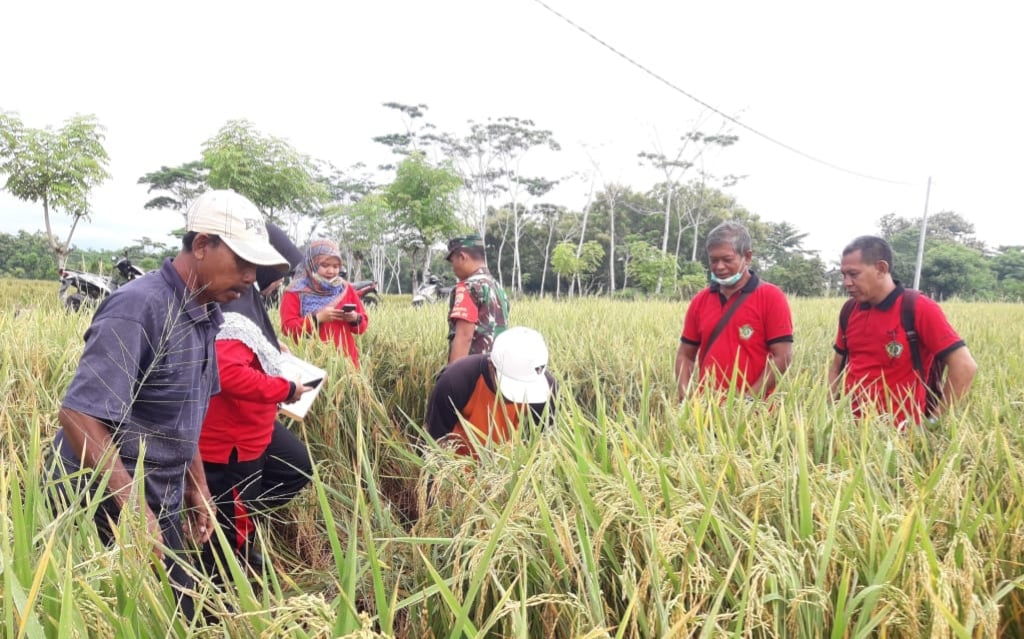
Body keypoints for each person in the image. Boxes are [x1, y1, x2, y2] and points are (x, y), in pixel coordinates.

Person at [49, 189, 288, 619]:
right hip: (100, 499)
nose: (252, 276)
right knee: (125, 616)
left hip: (161, 493)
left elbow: (186, 416)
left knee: (178, 611)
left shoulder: (206, 312)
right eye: (242, 262)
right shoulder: (141, 307)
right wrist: (134, 509)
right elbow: (78, 412)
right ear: (201, 245)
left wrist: (199, 491)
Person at [205, 223, 312, 575]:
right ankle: (226, 585)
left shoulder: (248, 296)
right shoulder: (231, 298)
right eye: (279, 272)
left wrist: (270, 347)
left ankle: (241, 529)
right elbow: (227, 370)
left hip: (255, 427)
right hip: (232, 436)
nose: (280, 281)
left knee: (296, 467)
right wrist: (284, 389)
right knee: (234, 515)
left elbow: (248, 342)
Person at [827, 235, 977, 427]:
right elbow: (836, 369)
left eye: (854, 274)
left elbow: (965, 367)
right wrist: (830, 417)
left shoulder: (917, 308)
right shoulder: (850, 310)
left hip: (902, 437)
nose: (846, 282)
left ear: (881, 269)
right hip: (850, 432)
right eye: (843, 275)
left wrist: (933, 424)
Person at [675, 221, 794, 401]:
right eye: (714, 260)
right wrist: (686, 399)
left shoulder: (771, 297)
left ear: (747, 257)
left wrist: (747, 401)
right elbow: (685, 355)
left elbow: (782, 356)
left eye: (727, 259)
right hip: (707, 413)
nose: (719, 267)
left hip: (755, 415)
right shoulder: (701, 300)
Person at [426, 327, 556, 457]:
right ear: (491, 365)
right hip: (459, 469)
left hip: (508, 469)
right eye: (512, 391)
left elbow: (540, 445)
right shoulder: (456, 382)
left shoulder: (545, 391)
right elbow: (436, 444)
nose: (515, 401)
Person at [280, 239, 368, 368]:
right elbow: (287, 328)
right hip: (311, 362)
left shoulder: (344, 288)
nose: (331, 271)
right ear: (312, 263)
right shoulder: (295, 291)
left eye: (335, 266)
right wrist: (317, 318)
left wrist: (354, 318)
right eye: (325, 265)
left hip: (346, 363)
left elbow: (363, 325)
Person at [444, 234, 509, 364]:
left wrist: (452, 379)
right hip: (497, 372)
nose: (453, 268)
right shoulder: (498, 288)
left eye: (453, 262)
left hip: (472, 373)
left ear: (462, 257)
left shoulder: (468, 287)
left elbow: (464, 337)